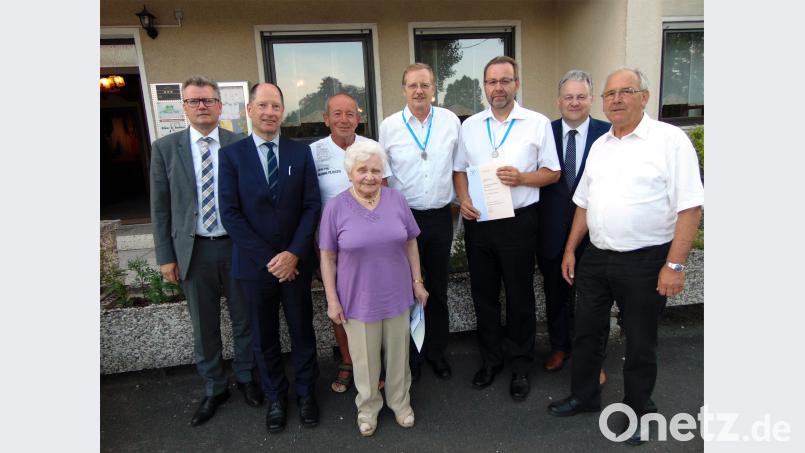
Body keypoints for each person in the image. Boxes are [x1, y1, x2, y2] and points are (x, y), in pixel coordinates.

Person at [547, 68, 704, 446]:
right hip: (597, 257)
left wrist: (675, 265)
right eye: (609, 94)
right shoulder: (602, 145)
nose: (615, 100)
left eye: (625, 91)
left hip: (647, 260)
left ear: (645, 97)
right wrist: (570, 249)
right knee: (586, 331)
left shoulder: (670, 141)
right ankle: (585, 396)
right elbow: (583, 204)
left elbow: (691, 207)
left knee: (640, 340)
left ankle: (638, 410)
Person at [150, 75, 262, 427]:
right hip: (194, 251)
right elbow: (160, 207)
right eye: (194, 101)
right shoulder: (165, 149)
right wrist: (166, 255)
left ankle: (245, 377)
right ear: (184, 106)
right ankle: (215, 387)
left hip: (236, 248)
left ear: (220, 105)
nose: (202, 106)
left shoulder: (239, 143)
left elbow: (253, 201)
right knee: (205, 326)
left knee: (245, 319)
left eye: (208, 100)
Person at [453, 56, 561, 401]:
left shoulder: (537, 123)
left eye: (505, 80)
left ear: (516, 84)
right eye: (491, 81)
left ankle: (520, 365)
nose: (497, 87)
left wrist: (523, 178)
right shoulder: (469, 125)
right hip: (480, 222)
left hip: (519, 221)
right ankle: (491, 361)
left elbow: (553, 172)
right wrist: (463, 200)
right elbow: (459, 171)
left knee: (519, 296)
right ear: (484, 87)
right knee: (483, 295)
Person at [218, 82, 321, 433]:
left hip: (295, 265)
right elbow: (230, 214)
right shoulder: (232, 156)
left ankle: (307, 394)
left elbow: (311, 206)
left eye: (275, 106)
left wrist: (293, 253)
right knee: (264, 337)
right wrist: (271, 259)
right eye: (262, 105)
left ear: (283, 111)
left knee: (302, 331)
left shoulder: (299, 153)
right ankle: (276, 397)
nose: (269, 112)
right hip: (255, 266)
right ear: (249, 110)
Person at [319, 140, 428, 436]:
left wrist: (417, 282)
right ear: (350, 173)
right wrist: (332, 300)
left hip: (397, 294)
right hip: (357, 298)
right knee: (364, 362)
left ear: (383, 173)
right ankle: (368, 408)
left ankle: (400, 403)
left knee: (398, 356)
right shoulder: (335, 207)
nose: (369, 176)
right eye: (362, 170)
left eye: (375, 170)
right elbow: (327, 257)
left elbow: (410, 241)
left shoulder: (396, 199)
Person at [379, 63, 461, 381]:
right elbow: (384, 178)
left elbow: (459, 168)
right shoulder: (389, 127)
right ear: (403, 89)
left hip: (440, 216)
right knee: (404, 289)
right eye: (412, 85)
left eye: (425, 85)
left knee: (437, 287)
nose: (419, 91)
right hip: (403, 218)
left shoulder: (451, 122)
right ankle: (410, 356)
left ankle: (437, 351)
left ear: (433, 89)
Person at [310, 92, 390, 393]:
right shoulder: (314, 152)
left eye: (350, 114)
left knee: (375, 300)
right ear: (326, 118)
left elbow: (385, 191)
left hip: (373, 242)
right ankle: (348, 360)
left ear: (358, 118)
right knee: (340, 303)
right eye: (337, 114)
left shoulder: (372, 148)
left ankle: (376, 362)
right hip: (334, 244)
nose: (344, 119)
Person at [536, 70, 610, 384]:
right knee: (555, 295)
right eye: (569, 97)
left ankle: (593, 357)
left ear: (592, 99)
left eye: (581, 96)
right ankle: (560, 347)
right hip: (551, 231)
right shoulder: (543, 132)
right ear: (559, 100)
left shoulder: (609, 135)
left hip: (595, 234)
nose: (575, 102)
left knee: (593, 301)